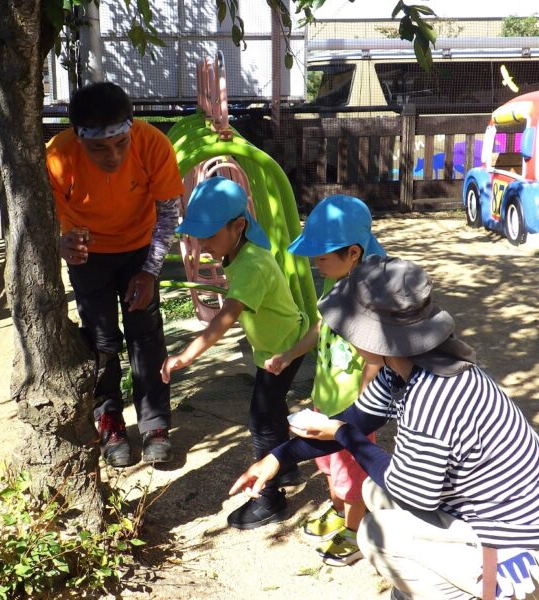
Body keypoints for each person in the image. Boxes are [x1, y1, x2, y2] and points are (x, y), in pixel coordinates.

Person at [231, 256, 539, 600]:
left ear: (372, 337)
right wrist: (277, 458)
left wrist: (342, 435)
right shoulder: (407, 368)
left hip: (538, 559)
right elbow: (355, 422)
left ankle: (490, 591)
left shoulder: (434, 396)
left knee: (377, 534)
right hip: (511, 528)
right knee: (374, 490)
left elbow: (411, 490)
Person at [46, 82, 184, 467]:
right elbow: (44, 216)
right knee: (101, 339)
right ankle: (108, 419)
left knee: (146, 333)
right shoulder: (57, 156)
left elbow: (169, 213)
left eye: (121, 143)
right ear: (79, 138)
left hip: (140, 248)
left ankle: (155, 424)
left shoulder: (153, 143)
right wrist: (62, 243)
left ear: (131, 127)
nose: (114, 156)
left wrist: (150, 271)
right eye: (99, 148)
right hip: (88, 255)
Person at [161, 176, 309, 529]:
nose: (203, 243)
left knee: (261, 420)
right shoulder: (241, 253)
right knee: (272, 411)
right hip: (276, 344)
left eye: (209, 235)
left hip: (284, 348)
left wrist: (185, 356)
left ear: (238, 225)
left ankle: (270, 498)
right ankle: (284, 467)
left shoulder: (252, 265)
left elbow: (223, 320)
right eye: (199, 234)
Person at [263, 195, 386, 566]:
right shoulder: (336, 286)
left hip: (352, 412)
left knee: (351, 476)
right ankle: (338, 511)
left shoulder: (366, 300)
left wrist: (361, 412)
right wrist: (289, 354)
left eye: (322, 257)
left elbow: (375, 362)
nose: (316, 265)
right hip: (325, 399)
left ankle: (354, 528)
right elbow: (320, 327)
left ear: (353, 253)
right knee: (330, 467)